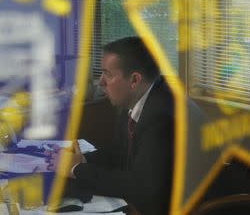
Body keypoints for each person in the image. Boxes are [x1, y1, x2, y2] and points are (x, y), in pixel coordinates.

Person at [47, 36, 174, 215]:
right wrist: (81, 159)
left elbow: (140, 187)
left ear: (134, 80)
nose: (100, 82)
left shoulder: (160, 116)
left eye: (108, 74)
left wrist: (76, 169)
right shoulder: (133, 100)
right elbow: (117, 153)